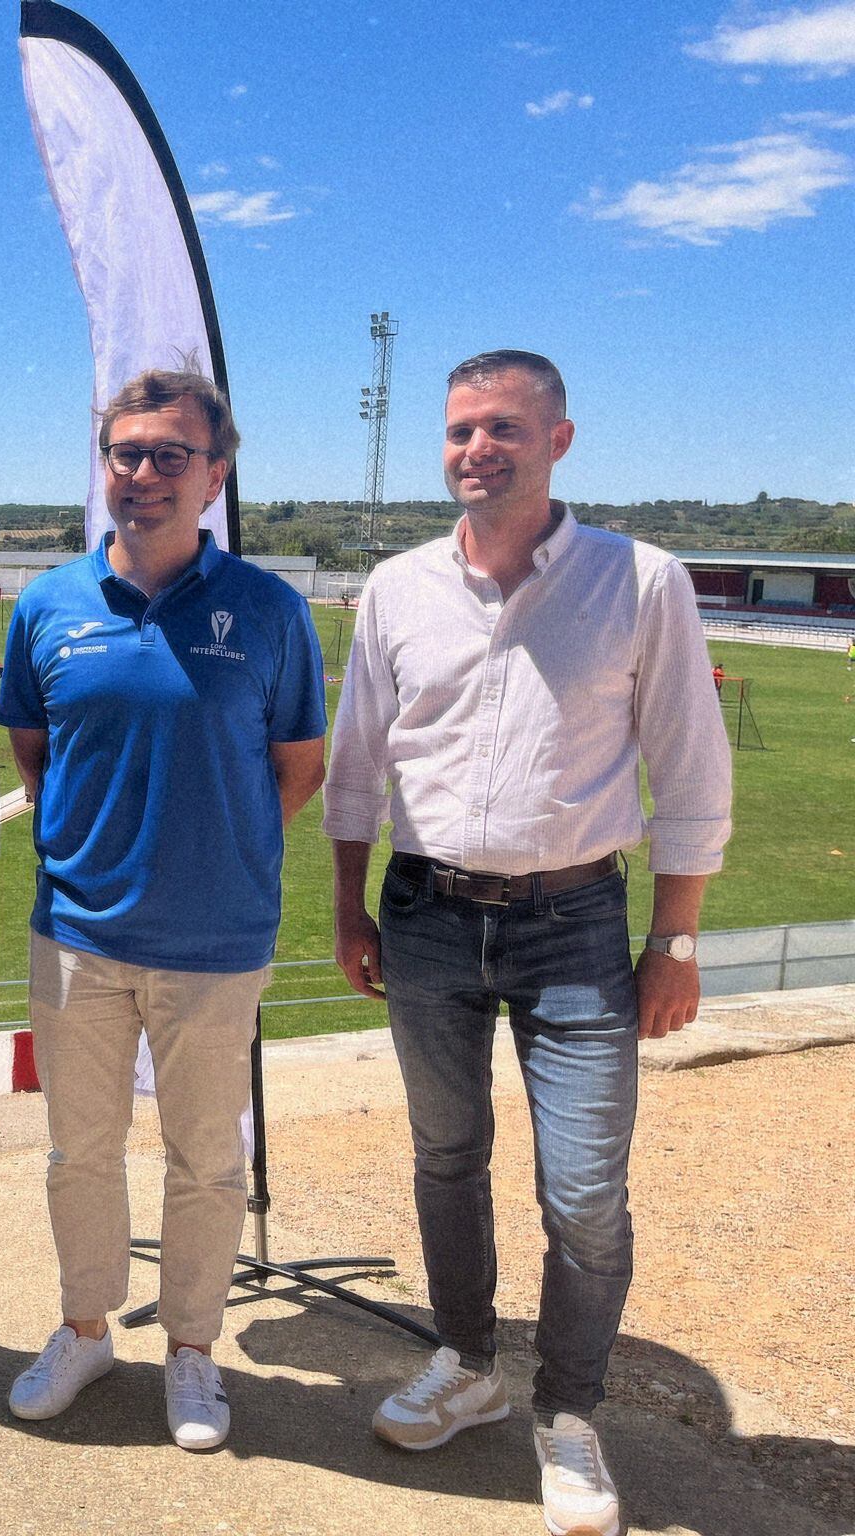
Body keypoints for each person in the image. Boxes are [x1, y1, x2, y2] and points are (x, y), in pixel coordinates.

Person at [325, 351, 731, 1536]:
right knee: (444, 1160)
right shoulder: (397, 588)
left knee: (584, 1193)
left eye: (500, 428)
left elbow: (691, 773)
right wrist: (349, 907)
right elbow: (359, 766)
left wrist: (679, 942)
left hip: (576, 924)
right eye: (457, 431)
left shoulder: (639, 580)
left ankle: (566, 1414)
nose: (472, 450)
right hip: (426, 914)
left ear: (559, 439)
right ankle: (466, 1362)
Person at [0, 370, 326, 1449]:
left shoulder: (269, 611)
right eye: (124, 453)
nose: (141, 474)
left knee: (205, 1160)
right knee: (76, 1155)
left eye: (168, 456)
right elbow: (36, 757)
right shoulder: (46, 604)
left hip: (215, 943)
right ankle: (86, 1329)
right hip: (77, 938)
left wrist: (203, 857)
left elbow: (294, 767)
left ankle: (191, 1352)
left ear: (213, 475)